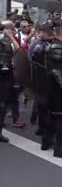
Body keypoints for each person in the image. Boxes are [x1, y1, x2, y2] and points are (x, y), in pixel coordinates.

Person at [41, 20, 62, 157]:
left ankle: (46, 142)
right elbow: (57, 72)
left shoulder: (53, 46)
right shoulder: (56, 48)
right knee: (59, 117)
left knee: (53, 116)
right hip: (57, 89)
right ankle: (59, 148)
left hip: (53, 88)